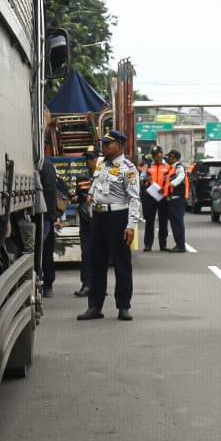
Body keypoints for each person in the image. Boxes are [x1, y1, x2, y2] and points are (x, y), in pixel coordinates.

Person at [77, 130, 140, 322]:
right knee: (96, 263)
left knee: (121, 264)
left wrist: (131, 225)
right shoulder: (101, 164)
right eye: (103, 143)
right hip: (98, 217)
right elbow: (96, 183)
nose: (103, 147)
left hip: (117, 218)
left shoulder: (128, 168)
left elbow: (134, 199)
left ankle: (124, 306)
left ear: (119, 146)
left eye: (107, 144)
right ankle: (95, 306)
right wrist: (90, 194)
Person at [72, 150, 99, 297]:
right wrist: (75, 198)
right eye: (87, 159)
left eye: (91, 158)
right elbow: (79, 195)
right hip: (86, 221)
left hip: (99, 220)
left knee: (99, 254)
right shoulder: (81, 177)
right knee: (86, 253)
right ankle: (87, 284)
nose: (88, 161)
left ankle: (99, 285)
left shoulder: (104, 176)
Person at [141, 146, 171, 251]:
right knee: (149, 221)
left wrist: (166, 185)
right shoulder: (148, 165)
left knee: (163, 221)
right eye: (155, 155)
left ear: (162, 154)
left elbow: (172, 178)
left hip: (163, 196)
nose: (157, 156)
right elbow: (141, 178)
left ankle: (163, 245)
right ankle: (148, 245)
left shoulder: (168, 165)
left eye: (159, 154)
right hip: (150, 195)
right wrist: (146, 179)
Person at [39, 152, 60, 297]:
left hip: (44, 216)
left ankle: (47, 284)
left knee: (44, 251)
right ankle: (46, 284)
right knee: (44, 251)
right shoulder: (44, 165)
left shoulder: (45, 166)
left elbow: (51, 191)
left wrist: (52, 216)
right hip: (43, 216)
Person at [164, 149, 189, 252]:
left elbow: (181, 176)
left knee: (177, 222)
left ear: (173, 158)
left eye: (169, 157)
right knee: (174, 223)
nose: (168, 159)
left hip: (177, 199)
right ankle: (179, 244)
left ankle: (180, 245)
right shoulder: (172, 168)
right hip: (173, 199)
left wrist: (173, 183)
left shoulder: (179, 167)